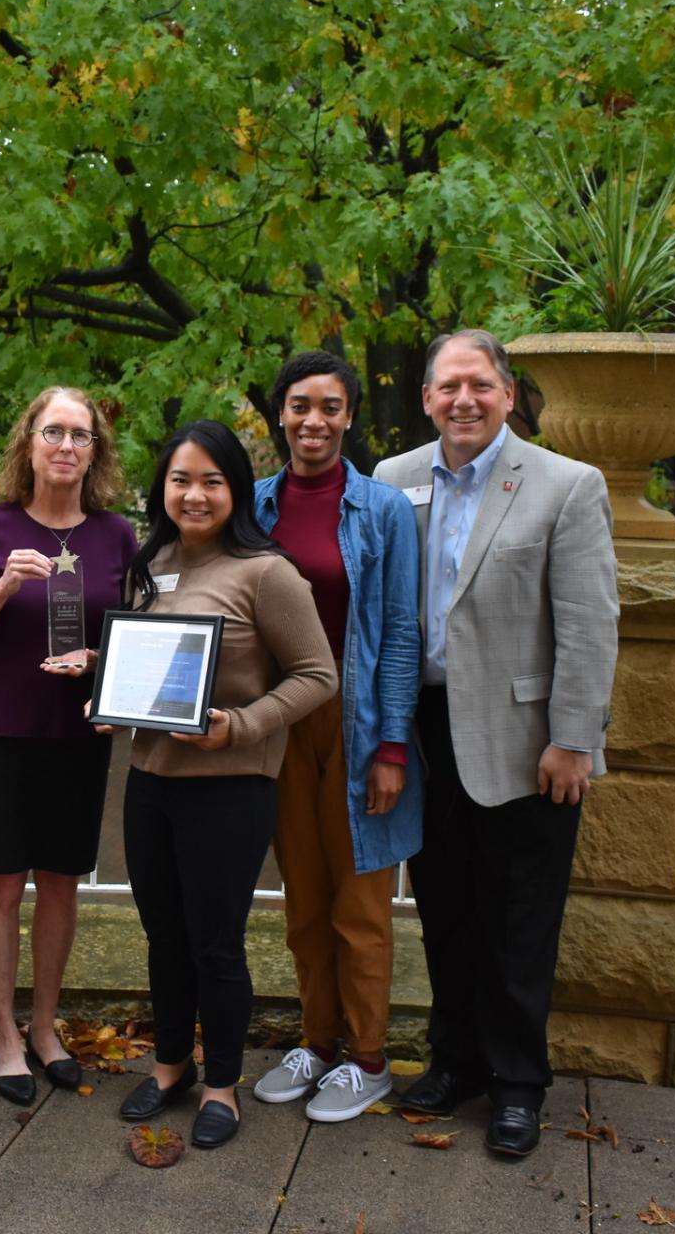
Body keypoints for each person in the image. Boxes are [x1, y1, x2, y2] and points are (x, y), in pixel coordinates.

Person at [372, 329, 619, 1157]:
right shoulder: (393, 480)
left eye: (480, 385)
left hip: (526, 740)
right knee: (444, 908)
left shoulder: (567, 485)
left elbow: (589, 623)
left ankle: (518, 1083)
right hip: (424, 732)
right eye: (448, 387)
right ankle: (457, 1061)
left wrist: (573, 738)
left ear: (510, 395)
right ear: (428, 399)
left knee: (520, 919)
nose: (463, 400)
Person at [107, 420, 337, 1150]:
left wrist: (239, 725)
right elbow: (143, 665)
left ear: (235, 489)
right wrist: (107, 695)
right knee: (163, 938)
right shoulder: (151, 565)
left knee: (215, 945)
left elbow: (318, 676)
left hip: (230, 788)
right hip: (150, 783)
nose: (194, 494)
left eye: (211, 480)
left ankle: (222, 1087)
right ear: (162, 489)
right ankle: (171, 1066)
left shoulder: (267, 573)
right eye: (181, 479)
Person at [0, 386, 137, 1105]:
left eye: (80, 435)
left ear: (95, 452)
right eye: (53, 432)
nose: (65, 446)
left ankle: (47, 1028)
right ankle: (3, 1035)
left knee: (61, 883)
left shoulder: (117, 536)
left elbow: (129, 635)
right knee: (2, 883)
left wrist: (98, 664)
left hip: (77, 734)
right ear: (29, 443)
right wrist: (1, 588)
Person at [250, 351, 422, 1123]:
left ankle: (369, 1058)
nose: (312, 420)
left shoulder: (382, 510)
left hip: (355, 729)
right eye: (298, 406)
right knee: (304, 902)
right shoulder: (250, 506)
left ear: (350, 415)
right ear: (280, 414)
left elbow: (398, 633)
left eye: (329, 406)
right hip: (281, 727)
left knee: (360, 908)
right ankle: (318, 1045)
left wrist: (391, 748)